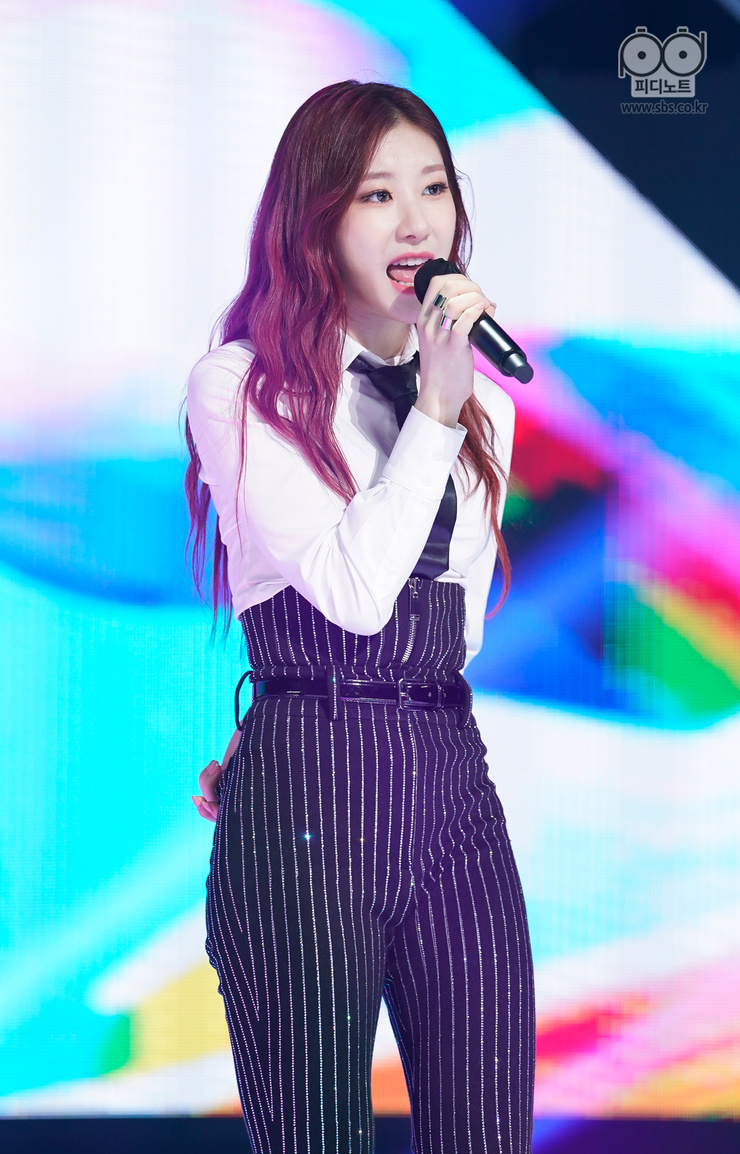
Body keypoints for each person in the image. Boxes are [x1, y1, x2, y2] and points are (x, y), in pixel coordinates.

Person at [186, 80, 534, 1154]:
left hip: (446, 776)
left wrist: (446, 402)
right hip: (306, 789)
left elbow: (449, 632)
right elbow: (349, 591)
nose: (415, 222)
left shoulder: (479, 401)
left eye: (433, 188)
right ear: (318, 219)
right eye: (378, 195)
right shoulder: (244, 386)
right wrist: (432, 410)